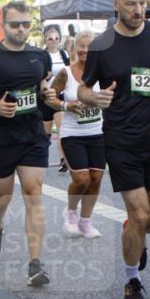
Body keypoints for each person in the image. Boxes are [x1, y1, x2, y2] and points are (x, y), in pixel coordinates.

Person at [78, 0, 150, 299]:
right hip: (120, 140)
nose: (139, 10)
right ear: (116, 5)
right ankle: (131, 280)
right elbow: (83, 88)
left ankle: (133, 231)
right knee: (140, 213)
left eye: (143, 3)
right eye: (131, 4)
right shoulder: (101, 45)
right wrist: (94, 97)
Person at [0, 1, 55, 286]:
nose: (21, 29)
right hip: (0, 138)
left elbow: (42, 85)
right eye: (15, 24)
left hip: (32, 135)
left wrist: (49, 93)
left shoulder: (40, 56)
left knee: (33, 191)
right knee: (2, 196)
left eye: (26, 24)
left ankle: (35, 264)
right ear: (3, 25)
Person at [48, 30, 104, 238]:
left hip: (97, 132)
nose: (86, 50)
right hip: (72, 133)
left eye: (91, 47)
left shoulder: (103, 72)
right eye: (82, 46)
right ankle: (70, 212)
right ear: (74, 48)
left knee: (96, 178)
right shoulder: (66, 73)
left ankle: (85, 221)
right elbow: (50, 98)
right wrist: (66, 105)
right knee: (81, 179)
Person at [40, 24, 70, 173]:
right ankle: (41, 158)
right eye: (50, 38)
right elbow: (37, 76)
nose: (53, 41)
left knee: (61, 128)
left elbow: (69, 71)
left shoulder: (64, 54)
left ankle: (63, 159)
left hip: (60, 95)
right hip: (46, 96)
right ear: (45, 39)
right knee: (46, 133)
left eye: (56, 38)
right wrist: (46, 76)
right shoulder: (41, 55)